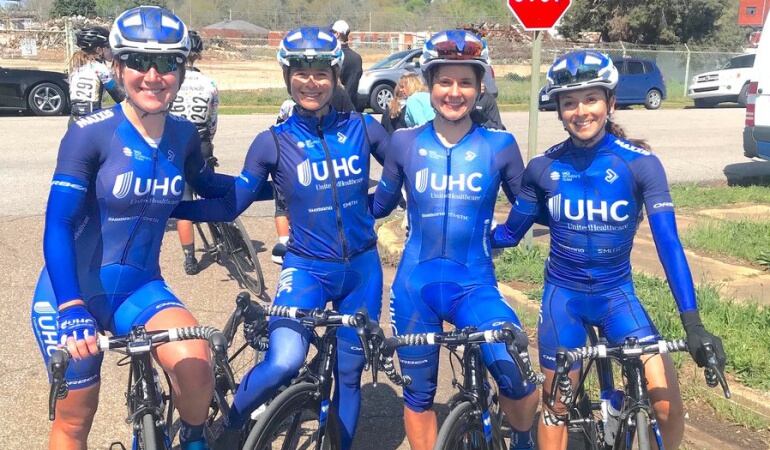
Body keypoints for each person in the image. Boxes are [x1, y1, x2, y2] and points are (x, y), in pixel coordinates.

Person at [491, 50, 727, 450]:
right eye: (569, 102)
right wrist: (472, 238)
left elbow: (668, 244)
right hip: (563, 299)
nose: (581, 111)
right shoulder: (543, 168)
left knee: (667, 405)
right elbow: (511, 232)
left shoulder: (641, 164)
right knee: (556, 408)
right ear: (559, 110)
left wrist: (693, 324)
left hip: (617, 296)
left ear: (610, 102)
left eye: (591, 99)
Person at [170, 26, 390, 449]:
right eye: (301, 73)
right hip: (307, 268)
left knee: (349, 372)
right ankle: (229, 428)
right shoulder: (273, 141)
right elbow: (230, 204)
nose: (311, 82)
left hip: (362, 269)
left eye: (321, 73)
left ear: (336, 77)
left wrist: (378, 205)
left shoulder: (363, 128)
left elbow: (402, 166)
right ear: (287, 76)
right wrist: (169, 209)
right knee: (285, 360)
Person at [30, 6, 231, 450]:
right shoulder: (90, 133)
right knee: (76, 418)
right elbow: (59, 222)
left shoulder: (183, 135)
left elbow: (211, 188)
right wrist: (71, 308)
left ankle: (193, 438)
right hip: (73, 291)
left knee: (197, 367)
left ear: (182, 69)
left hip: (141, 289)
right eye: (139, 61)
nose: (153, 76)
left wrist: (275, 182)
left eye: (167, 63)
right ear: (118, 68)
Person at [371, 29, 539, 450]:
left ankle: (522, 440)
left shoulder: (500, 145)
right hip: (415, 288)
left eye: (465, 82)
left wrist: (506, 236)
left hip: (474, 286)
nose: (454, 91)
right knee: (418, 397)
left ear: (480, 87)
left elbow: (528, 202)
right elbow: (379, 205)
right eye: (444, 81)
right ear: (429, 85)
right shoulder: (404, 142)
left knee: (517, 380)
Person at [169, 30, 220, 275]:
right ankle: (223, 235)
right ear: (198, 55)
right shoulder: (209, 83)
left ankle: (190, 258)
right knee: (211, 192)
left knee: (185, 202)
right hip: (201, 141)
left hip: (177, 142)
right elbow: (213, 121)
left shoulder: (171, 81)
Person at [68, 26, 124, 124]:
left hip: (74, 120)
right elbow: (118, 95)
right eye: (108, 47)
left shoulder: (76, 68)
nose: (111, 51)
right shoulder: (99, 68)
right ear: (99, 50)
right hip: (91, 119)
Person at [332, 19, 363, 110]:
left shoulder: (333, 56)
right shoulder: (356, 58)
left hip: (335, 107)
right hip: (352, 107)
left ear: (337, 34)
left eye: (332, 32)